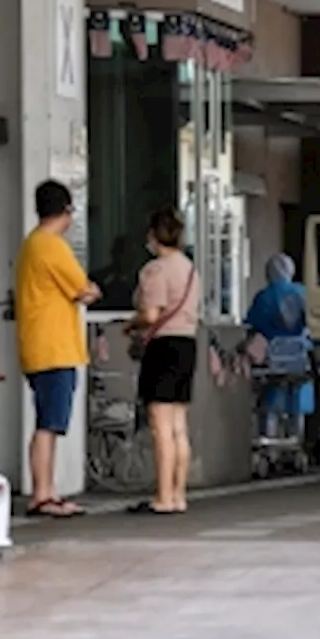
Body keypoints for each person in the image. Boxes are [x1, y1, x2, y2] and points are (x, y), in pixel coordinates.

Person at [16, 180, 101, 518]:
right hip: (55, 346)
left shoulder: (30, 245)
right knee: (49, 424)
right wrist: (90, 290)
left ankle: (46, 490)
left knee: (46, 420)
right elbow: (84, 290)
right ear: (67, 211)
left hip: (37, 345)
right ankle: (43, 493)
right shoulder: (52, 246)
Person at [124, 207, 199, 515]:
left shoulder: (155, 271)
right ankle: (179, 495)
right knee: (179, 426)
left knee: (160, 426)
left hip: (163, 347)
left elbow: (151, 314)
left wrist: (131, 324)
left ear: (154, 236)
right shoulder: (191, 269)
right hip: (187, 345)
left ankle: (163, 497)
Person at [244, 253, 315, 448]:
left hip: (272, 360)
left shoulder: (263, 298)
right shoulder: (302, 293)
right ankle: (295, 440)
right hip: (298, 358)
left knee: (270, 400)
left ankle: (269, 442)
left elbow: (251, 325)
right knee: (297, 400)